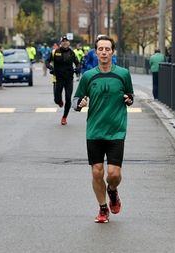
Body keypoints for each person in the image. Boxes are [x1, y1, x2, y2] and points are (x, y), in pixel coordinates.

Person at [72, 35, 134, 223]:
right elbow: (76, 100)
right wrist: (79, 104)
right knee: (97, 172)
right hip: (94, 131)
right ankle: (102, 208)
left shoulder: (123, 74)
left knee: (113, 174)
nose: (104, 52)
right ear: (96, 52)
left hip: (116, 130)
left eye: (107, 49)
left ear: (113, 52)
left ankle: (112, 191)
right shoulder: (88, 76)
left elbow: (130, 95)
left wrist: (129, 100)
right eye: (100, 49)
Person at [45, 36, 80, 125]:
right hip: (58, 78)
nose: (65, 43)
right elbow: (47, 61)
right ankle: (59, 102)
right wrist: (51, 68)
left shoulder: (72, 53)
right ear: (60, 43)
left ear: (69, 43)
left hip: (69, 78)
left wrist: (77, 69)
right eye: (63, 41)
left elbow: (78, 63)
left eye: (66, 41)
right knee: (56, 99)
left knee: (68, 98)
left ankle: (64, 117)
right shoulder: (55, 52)